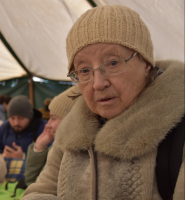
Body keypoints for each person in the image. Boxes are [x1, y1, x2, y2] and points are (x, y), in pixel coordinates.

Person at [22, 4, 184, 200]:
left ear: (146, 64)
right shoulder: (71, 133)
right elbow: (38, 192)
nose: (98, 83)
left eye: (113, 63)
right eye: (83, 70)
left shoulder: (178, 133)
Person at [25, 85, 79, 186]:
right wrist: (39, 147)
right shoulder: (57, 146)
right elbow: (31, 183)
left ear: (69, 120)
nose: (48, 124)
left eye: (53, 118)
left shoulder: (73, 155)